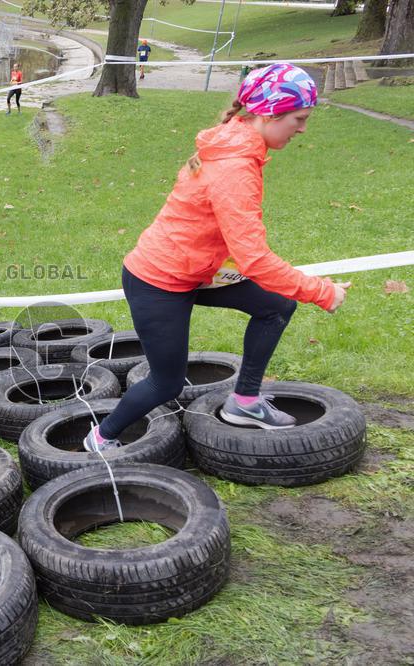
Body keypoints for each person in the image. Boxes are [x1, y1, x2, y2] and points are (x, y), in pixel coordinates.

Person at [84, 63, 351, 453]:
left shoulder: (237, 141)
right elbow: (255, 259)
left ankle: (244, 403)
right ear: (268, 113)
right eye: (299, 118)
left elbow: (239, 249)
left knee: (276, 306)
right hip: (158, 281)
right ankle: (99, 438)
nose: (303, 128)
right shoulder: (235, 167)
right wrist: (322, 292)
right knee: (166, 382)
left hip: (198, 271)